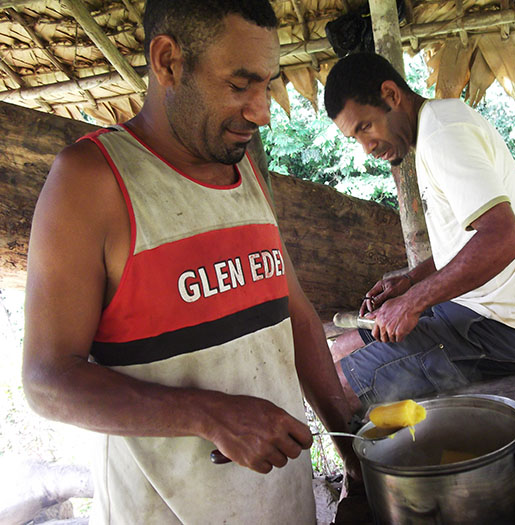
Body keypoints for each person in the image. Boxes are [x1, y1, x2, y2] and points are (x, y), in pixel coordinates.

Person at [22, 1, 359, 523]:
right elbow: (47, 381)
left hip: (283, 504)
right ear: (167, 61)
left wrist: (350, 441)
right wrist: (209, 414)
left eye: (265, 85)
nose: (262, 111)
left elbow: (293, 312)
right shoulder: (92, 180)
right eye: (239, 84)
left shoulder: (244, 167)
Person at [324, 52, 515, 413]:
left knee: (337, 387)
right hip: (469, 311)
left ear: (391, 94)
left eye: (365, 127)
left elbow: (504, 238)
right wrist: (411, 281)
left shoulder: (444, 135)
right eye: (355, 137)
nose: (366, 148)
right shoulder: (437, 123)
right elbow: (467, 241)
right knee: (338, 350)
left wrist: (413, 302)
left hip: (498, 332)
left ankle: (359, 468)